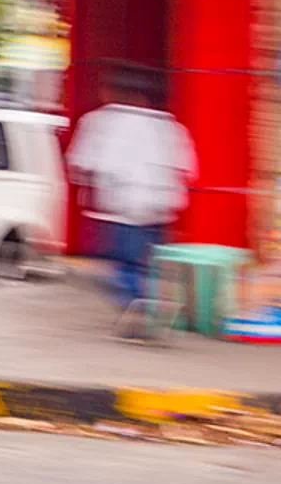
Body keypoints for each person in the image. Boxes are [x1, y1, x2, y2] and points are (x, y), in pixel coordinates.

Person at [67, 66, 198, 331]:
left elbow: (83, 163)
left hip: (120, 208)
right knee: (145, 263)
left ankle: (141, 305)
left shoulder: (102, 121)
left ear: (114, 92)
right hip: (161, 209)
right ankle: (149, 303)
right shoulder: (169, 125)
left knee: (122, 264)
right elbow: (189, 169)